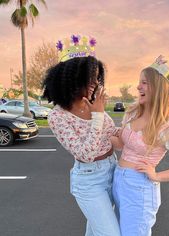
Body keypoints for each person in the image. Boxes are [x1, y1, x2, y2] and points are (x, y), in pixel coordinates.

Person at [42, 35, 121, 236]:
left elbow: (112, 134)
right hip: (89, 179)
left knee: (96, 231)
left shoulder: (93, 103)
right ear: (72, 78)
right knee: (110, 233)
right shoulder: (58, 116)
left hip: (113, 169)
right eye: (89, 76)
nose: (95, 81)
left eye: (97, 76)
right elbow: (85, 154)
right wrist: (97, 115)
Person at [111, 55, 169, 236]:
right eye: (139, 82)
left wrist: (157, 175)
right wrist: (98, 130)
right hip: (118, 181)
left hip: (140, 189)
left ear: (157, 89)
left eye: (144, 83)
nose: (138, 87)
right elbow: (121, 144)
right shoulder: (133, 113)